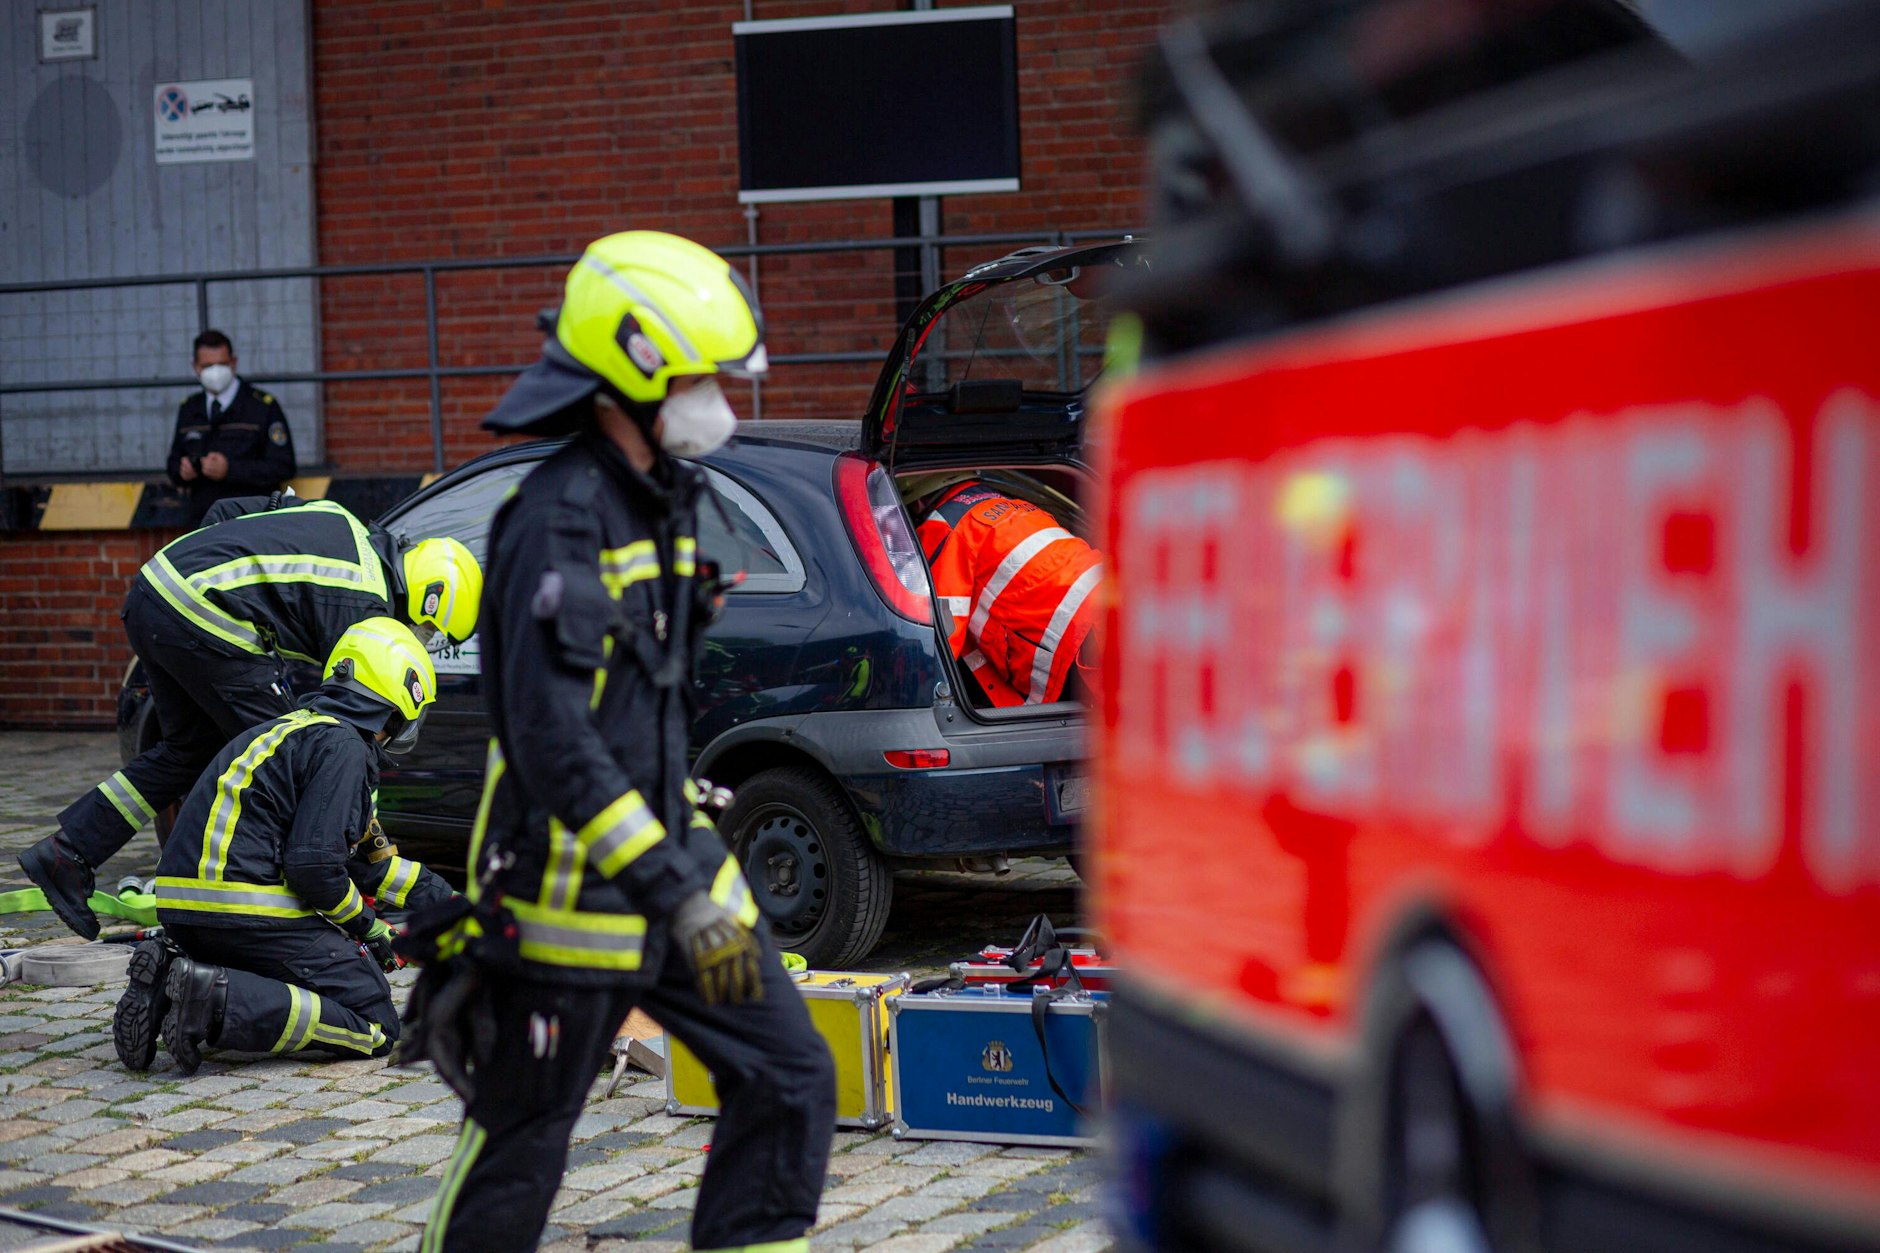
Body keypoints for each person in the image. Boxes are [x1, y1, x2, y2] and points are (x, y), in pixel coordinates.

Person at [418, 230, 834, 1253]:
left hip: (680, 890)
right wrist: (673, 888)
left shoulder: (670, 498)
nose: (715, 396)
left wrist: (695, 888)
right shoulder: (553, 520)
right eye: (698, 374)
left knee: (789, 1073)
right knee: (523, 1139)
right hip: (567, 910)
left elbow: (641, 707)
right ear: (636, 371)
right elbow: (553, 740)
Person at [18, 498, 482, 941]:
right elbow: (348, 736)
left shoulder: (339, 519)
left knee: (187, 750)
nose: (419, 640)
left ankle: (68, 851)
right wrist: (368, 839)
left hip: (155, 589)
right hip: (207, 614)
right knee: (296, 755)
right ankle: (297, 887)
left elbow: (226, 512)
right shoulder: (365, 604)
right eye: (428, 630)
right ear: (429, 597)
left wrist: (199, 576)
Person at [113, 617, 457, 1075]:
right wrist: (368, 927)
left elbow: (364, 864)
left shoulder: (293, 732)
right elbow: (315, 869)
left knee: (310, 965)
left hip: (185, 911)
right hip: (248, 911)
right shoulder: (345, 749)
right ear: (397, 705)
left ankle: (168, 981)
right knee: (374, 1021)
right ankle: (213, 999)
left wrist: (450, 903)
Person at [910, 474, 1103, 706]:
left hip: (1076, 631)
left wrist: (914, 694)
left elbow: (941, 633)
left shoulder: (944, 525)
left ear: (917, 502)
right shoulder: (1019, 505)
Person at [166, 330, 298, 526]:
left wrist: (230, 469)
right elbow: (173, 463)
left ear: (233, 362)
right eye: (207, 366)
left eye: (222, 364)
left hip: (252, 522)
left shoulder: (262, 407)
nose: (216, 372)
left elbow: (283, 465)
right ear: (195, 367)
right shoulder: (189, 409)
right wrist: (182, 470)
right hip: (203, 523)